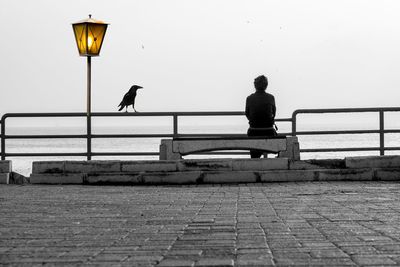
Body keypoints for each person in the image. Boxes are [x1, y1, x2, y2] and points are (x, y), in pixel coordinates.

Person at [245, 75, 277, 158]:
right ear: (266, 85)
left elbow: (247, 114)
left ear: (255, 86)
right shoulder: (271, 98)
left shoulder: (249, 98)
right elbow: (273, 114)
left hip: (254, 131)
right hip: (268, 131)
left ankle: (255, 160)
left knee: (254, 153)